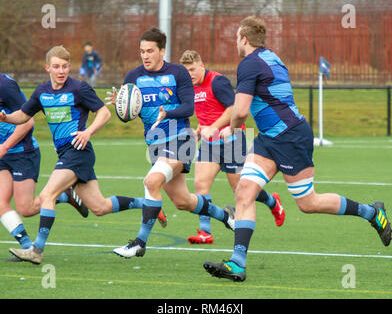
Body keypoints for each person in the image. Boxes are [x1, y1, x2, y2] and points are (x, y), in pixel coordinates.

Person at [203, 16, 392, 282]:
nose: (236, 42)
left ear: (244, 39)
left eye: (236, 37)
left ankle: (371, 212)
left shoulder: (248, 63)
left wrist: (230, 131)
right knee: (244, 190)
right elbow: (248, 103)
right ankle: (237, 263)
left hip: (290, 137)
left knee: (308, 203)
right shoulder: (272, 58)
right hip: (270, 138)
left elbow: (242, 110)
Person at [0, 46, 164, 265]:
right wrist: (6, 118)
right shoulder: (41, 92)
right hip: (67, 154)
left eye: (65, 66)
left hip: (77, 151)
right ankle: (149, 205)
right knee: (100, 207)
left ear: (70, 67)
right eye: (56, 66)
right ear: (47, 67)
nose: (61, 71)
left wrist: (88, 132)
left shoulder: (79, 88)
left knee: (48, 195)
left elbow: (104, 113)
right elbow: (23, 115)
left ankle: (36, 250)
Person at [110, 28, 236, 259]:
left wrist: (166, 113)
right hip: (156, 144)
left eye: (150, 51)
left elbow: (189, 107)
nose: (145, 56)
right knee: (183, 201)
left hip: (181, 139)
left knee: (151, 181)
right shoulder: (133, 77)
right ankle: (227, 217)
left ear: (161, 51)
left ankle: (139, 243)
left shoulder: (178, 73)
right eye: (142, 51)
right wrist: (122, 105)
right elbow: (128, 115)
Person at [179, 50, 284, 244]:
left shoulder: (217, 82)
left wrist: (214, 127)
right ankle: (205, 233)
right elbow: (206, 113)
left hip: (231, 141)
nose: (190, 74)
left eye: (192, 69)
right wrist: (199, 130)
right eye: (186, 71)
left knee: (241, 189)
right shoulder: (190, 87)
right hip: (210, 144)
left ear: (202, 65)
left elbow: (233, 109)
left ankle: (273, 202)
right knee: (201, 185)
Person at [0, 73, 88, 259]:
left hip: (22, 153)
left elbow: (28, 122)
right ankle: (26, 247)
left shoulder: (5, 86)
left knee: (26, 208)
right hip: (3, 154)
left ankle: (63, 195)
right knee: (0, 203)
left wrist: (5, 146)